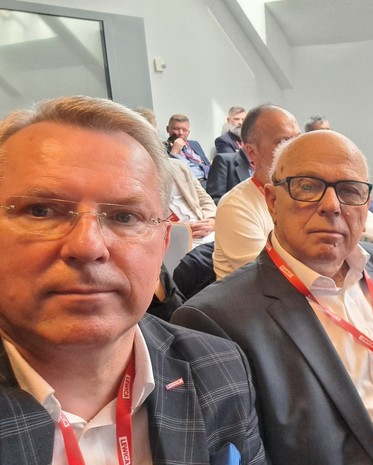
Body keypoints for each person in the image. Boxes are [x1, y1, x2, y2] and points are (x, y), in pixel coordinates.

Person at [171, 130, 373, 465]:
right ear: (272, 201)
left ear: (365, 205)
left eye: (349, 191)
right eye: (308, 187)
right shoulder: (216, 320)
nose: (331, 206)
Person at [0, 96, 264, 464]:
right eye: (42, 211)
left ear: (163, 245)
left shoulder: (219, 369)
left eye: (124, 217)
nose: (88, 246)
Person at [212, 104, 300, 280]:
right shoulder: (235, 207)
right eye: (283, 142)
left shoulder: (307, 193)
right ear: (252, 152)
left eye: (298, 139)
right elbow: (271, 279)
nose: (297, 149)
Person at [168, 157, 216, 246]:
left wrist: (211, 220)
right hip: (176, 241)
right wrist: (181, 230)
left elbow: (204, 199)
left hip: (207, 229)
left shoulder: (178, 166)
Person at [166, 114, 211, 188]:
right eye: (176, 129)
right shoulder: (162, 147)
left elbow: (207, 164)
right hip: (190, 185)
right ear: (168, 129)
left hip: (209, 181)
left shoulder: (194, 144)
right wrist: (174, 152)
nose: (180, 133)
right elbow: (169, 173)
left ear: (188, 132)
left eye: (184, 130)